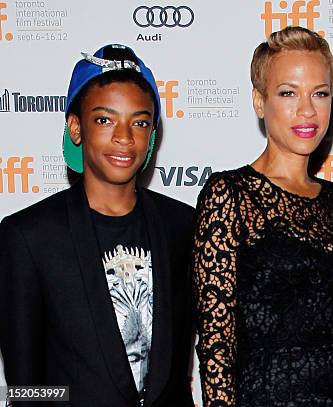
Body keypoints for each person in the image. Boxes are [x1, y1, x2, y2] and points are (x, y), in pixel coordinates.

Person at [0, 44, 195, 406]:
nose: (124, 137)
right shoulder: (28, 237)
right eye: (105, 120)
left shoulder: (183, 226)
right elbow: (25, 387)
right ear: (76, 128)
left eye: (139, 122)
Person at [192, 26, 333, 406]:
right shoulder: (230, 195)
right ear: (260, 102)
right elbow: (216, 342)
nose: (307, 110)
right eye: (288, 93)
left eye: (319, 94)